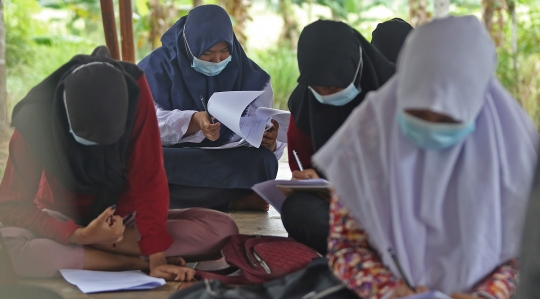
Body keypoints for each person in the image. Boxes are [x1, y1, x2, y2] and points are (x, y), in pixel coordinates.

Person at [313, 16, 538, 298]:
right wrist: (388, 290)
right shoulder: (367, 142)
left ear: (476, 106)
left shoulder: (515, 157)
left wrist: (488, 295)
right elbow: (346, 246)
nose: (431, 129)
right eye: (416, 115)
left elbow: (526, 258)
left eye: (447, 121)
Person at [0, 46, 238, 279]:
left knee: (222, 230)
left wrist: (156, 257)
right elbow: (12, 205)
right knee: (10, 250)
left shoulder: (133, 92)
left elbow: (149, 176)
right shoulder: (36, 118)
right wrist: (79, 235)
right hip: (58, 216)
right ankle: (127, 262)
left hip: (120, 221)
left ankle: (81, 255)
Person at [138, 5, 285, 212]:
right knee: (140, 162)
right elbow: (145, 123)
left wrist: (268, 142)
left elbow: (260, 121)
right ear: (190, 46)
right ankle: (230, 202)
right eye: (207, 53)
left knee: (263, 161)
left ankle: (198, 200)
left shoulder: (251, 75)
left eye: (225, 52)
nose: (217, 61)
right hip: (176, 154)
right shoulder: (155, 68)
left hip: (224, 156)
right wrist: (195, 121)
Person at [281, 19, 396, 254]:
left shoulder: (397, 95)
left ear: (356, 68)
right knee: (297, 210)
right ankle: (378, 252)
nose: (324, 96)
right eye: (316, 88)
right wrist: (308, 182)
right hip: (337, 206)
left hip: (394, 206)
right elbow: (301, 161)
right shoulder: (305, 102)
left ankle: (369, 249)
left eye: (334, 89)